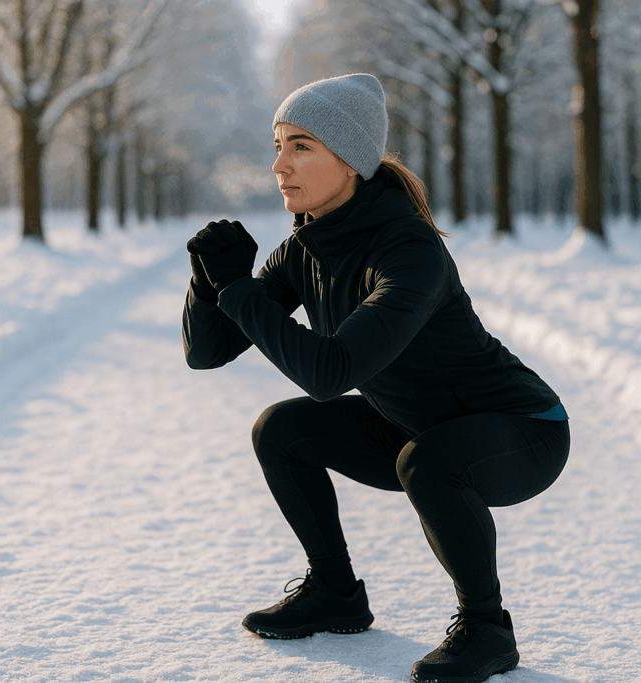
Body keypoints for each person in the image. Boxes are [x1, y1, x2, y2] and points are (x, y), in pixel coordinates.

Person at [181, 73, 570, 683]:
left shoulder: (409, 251)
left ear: (352, 158)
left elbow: (329, 372)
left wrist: (236, 288)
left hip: (524, 431)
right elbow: (209, 352)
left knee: (429, 461)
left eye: (301, 145)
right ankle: (335, 592)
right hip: (417, 425)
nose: (279, 164)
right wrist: (208, 282)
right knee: (281, 429)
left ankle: (488, 630)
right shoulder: (304, 247)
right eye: (277, 144)